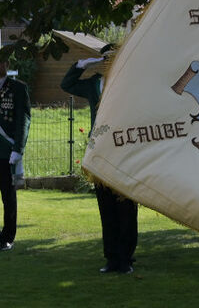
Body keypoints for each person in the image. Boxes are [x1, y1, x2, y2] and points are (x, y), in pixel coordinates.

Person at [61, 44, 138, 274]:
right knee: (106, 208)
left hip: (124, 153)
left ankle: (126, 258)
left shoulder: (129, 83)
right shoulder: (94, 83)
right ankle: (111, 258)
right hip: (100, 154)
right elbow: (67, 84)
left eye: (113, 58)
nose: (109, 62)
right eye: (105, 59)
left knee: (126, 208)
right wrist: (82, 65)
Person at [0, 57, 31, 252]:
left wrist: (18, 149)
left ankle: (7, 237)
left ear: (6, 65)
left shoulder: (18, 88)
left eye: (1, 62)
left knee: (8, 196)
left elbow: (24, 119)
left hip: (6, 151)